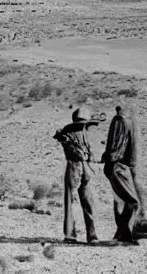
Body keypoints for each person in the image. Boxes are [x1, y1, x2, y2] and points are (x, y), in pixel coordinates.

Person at [53, 108, 101, 244]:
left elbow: (60, 139)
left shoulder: (68, 132)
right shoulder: (85, 133)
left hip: (74, 166)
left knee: (70, 201)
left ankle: (70, 235)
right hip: (86, 167)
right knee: (87, 202)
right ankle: (92, 235)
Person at [101, 105, 140, 245]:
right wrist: (111, 160)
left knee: (122, 201)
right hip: (119, 166)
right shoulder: (122, 121)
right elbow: (116, 147)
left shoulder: (121, 121)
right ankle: (124, 234)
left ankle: (122, 234)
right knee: (131, 201)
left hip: (117, 166)